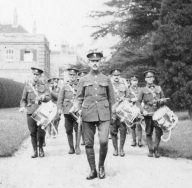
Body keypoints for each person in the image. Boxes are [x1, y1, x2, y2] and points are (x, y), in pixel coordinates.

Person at [75, 51, 115, 180]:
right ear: (89, 63)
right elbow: (79, 97)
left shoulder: (106, 79)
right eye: (93, 61)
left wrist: (113, 115)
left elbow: (112, 99)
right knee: (88, 143)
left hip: (104, 114)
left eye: (97, 61)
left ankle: (101, 166)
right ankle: (93, 170)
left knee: (103, 141)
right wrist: (78, 108)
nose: (95, 63)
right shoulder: (83, 79)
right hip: (88, 113)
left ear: (100, 62)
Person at [19, 67, 50, 158]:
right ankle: (34, 151)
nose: (36, 76)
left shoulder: (44, 86)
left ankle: (41, 149)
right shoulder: (28, 86)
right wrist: (22, 106)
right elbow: (23, 99)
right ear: (32, 75)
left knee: (41, 131)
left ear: (40, 76)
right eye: (34, 74)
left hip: (41, 111)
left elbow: (49, 97)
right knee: (32, 132)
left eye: (37, 75)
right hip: (30, 111)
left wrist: (44, 97)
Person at [137, 69, 166, 158]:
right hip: (148, 114)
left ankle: (156, 149)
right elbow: (138, 102)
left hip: (158, 113)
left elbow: (164, 99)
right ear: (145, 79)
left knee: (158, 132)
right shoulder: (142, 90)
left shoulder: (159, 88)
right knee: (149, 132)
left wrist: (162, 101)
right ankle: (150, 150)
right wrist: (143, 111)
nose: (150, 79)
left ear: (154, 78)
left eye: (152, 77)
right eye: (148, 77)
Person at [57, 66, 80, 154]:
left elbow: (83, 98)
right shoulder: (64, 87)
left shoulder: (80, 86)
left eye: (74, 75)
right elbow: (60, 99)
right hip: (67, 111)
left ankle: (77, 146)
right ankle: (71, 147)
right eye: (70, 75)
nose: (72, 76)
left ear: (76, 75)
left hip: (76, 111)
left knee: (77, 129)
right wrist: (59, 109)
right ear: (68, 76)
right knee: (68, 130)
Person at [110, 68, 129, 157]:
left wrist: (125, 99)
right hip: (112, 112)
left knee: (123, 131)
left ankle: (121, 148)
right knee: (113, 131)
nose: (116, 77)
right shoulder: (109, 86)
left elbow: (128, 97)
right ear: (112, 76)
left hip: (122, 113)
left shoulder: (124, 86)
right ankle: (115, 149)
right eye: (115, 75)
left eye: (118, 75)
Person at [128, 74, 143, 147]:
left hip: (138, 108)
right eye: (133, 80)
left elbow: (143, 98)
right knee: (132, 125)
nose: (134, 82)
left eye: (136, 80)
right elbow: (126, 98)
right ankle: (134, 140)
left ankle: (140, 140)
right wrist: (131, 99)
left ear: (137, 81)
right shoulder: (128, 89)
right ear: (130, 81)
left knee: (139, 124)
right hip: (131, 108)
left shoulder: (140, 89)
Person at [78, 67, 89, 146]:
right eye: (81, 77)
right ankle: (83, 139)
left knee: (87, 124)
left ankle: (87, 138)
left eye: (84, 77)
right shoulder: (78, 85)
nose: (83, 78)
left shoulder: (88, 85)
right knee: (81, 124)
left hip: (88, 106)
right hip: (80, 106)